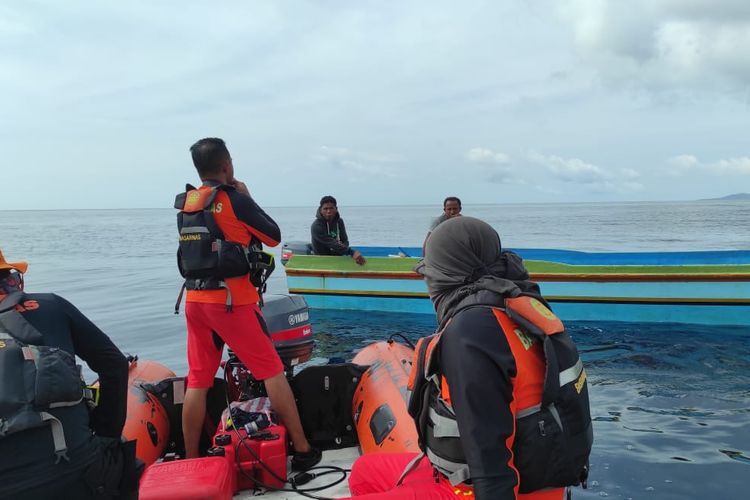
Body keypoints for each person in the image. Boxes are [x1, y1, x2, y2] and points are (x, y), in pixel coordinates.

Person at [347, 217, 592, 500]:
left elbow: (491, 463)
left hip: (484, 490)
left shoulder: (471, 335)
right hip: (511, 477)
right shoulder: (515, 303)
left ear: (446, 271)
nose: (427, 283)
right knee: (365, 470)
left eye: (429, 273)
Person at [175, 137, 320, 470]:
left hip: (194, 300)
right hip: (231, 302)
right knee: (272, 371)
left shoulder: (188, 202)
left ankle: (191, 459)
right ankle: (302, 448)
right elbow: (272, 235)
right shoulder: (233, 199)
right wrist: (246, 196)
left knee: (197, 379)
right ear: (227, 165)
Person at [0, 249, 138, 500]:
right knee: (130, 466)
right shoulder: (51, 305)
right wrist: (106, 435)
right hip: (77, 470)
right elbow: (115, 365)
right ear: (12, 279)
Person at [310, 195, 366, 265]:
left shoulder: (339, 221)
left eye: (331, 208)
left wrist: (346, 251)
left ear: (336, 209)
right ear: (321, 210)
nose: (328, 211)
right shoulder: (316, 226)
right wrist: (352, 253)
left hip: (337, 258)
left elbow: (345, 240)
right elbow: (331, 243)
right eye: (325, 208)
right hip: (321, 260)